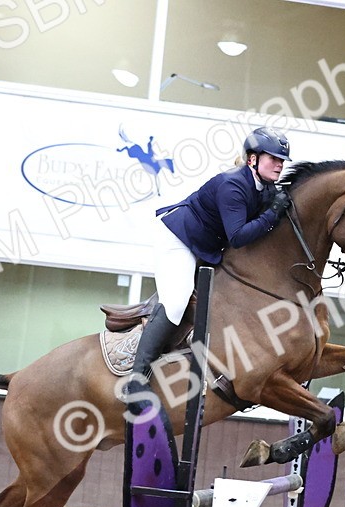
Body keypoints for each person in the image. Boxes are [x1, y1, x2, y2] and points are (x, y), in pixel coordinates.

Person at [123, 126, 293, 412]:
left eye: (282, 160)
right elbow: (238, 237)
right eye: (273, 158)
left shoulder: (265, 188)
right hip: (179, 239)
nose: (280, 164)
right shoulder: (233, 185)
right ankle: (136, 380)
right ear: (252, 159)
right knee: (177, 301)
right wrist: (273, 214)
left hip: (207, 246)